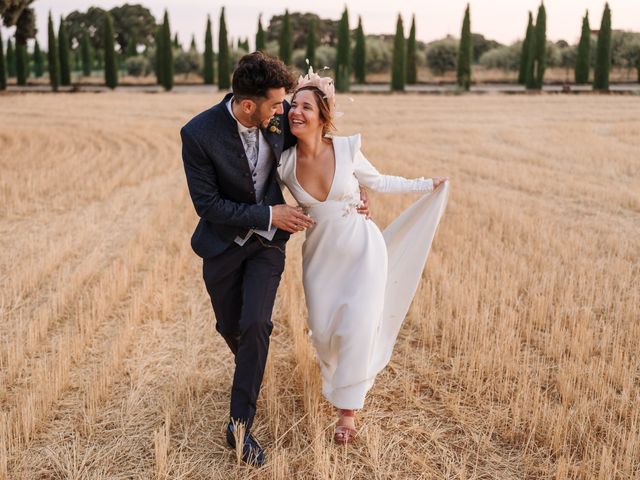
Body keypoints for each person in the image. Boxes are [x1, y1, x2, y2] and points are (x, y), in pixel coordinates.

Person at [180, 53, 369, 466]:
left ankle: (240, 426)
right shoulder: (197, 134)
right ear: (249, 106)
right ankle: (251, 363)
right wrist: (270, 212)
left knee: (256, 324)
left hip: (268, 245)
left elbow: (323, 147)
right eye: (276, 104)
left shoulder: (279, 118)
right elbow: (208, 205)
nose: (284, 111)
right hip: (222, 245)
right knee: (232, 327)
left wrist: (353, 189)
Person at [277, 68, 450, 444]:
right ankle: (337, 381)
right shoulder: (284, 165)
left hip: (363, 252)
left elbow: (380, 181)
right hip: (320, 259)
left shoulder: (346, 148)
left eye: (307, 107)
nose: (297, 113)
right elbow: (272, 203)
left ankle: (347, 412)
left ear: (323, 117)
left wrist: (428, 185)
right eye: (294, 106)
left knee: (356, 325)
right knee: (323, 331)